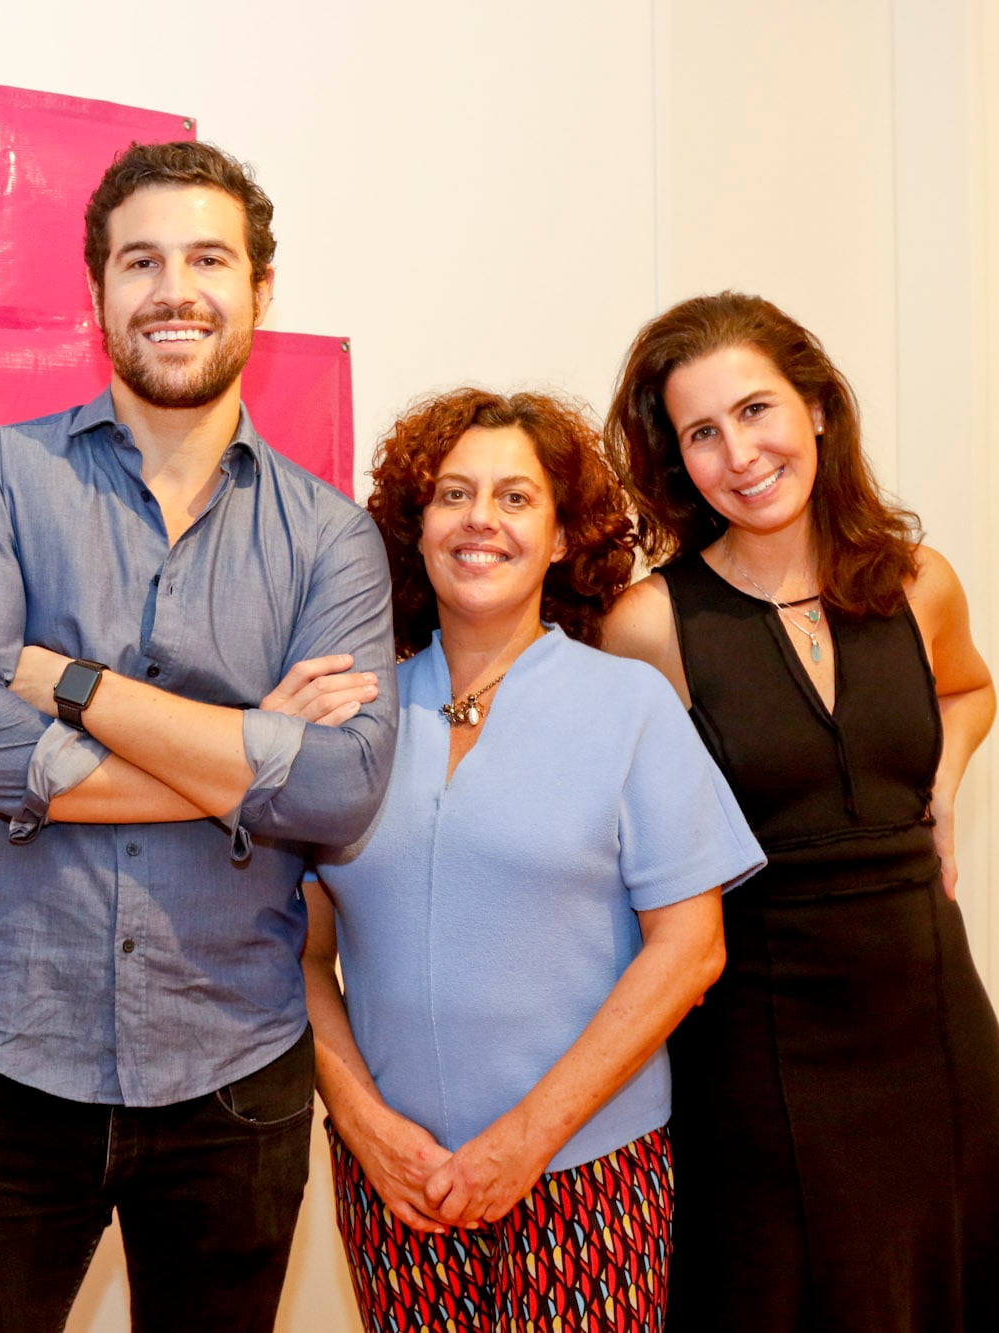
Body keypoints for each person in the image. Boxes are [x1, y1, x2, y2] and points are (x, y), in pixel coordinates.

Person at [0, 141, 398, 1333]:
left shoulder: (331, 540)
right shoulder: (1, 482)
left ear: (259, 292)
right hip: (11, 1069)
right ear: (99, 293)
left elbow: (339, 793)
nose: (175, 290)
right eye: (141, 262)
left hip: (236, 1083)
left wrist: (66, 682)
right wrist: (249, 754)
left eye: (207, 259)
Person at [600, 291, 999, 1331]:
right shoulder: (649, 624)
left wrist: (942, 785)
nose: (739, 454)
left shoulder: (918, 583)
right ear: (677, 459)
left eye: (755, 410)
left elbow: (968, 688)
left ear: (814, 407)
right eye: (701, 433)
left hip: (931, 1012)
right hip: (756, 1036)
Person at [304, 388, 764, 1332]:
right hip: (398, 1182)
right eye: (453, 494)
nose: (481, 518)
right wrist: (361, 1124)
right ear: (416, 527)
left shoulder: (629, 705)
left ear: (560, 537)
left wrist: (525, 1138)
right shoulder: (352, 715)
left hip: (587, 1174)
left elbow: (692, 948)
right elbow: (295, 952)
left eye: (516, 498)